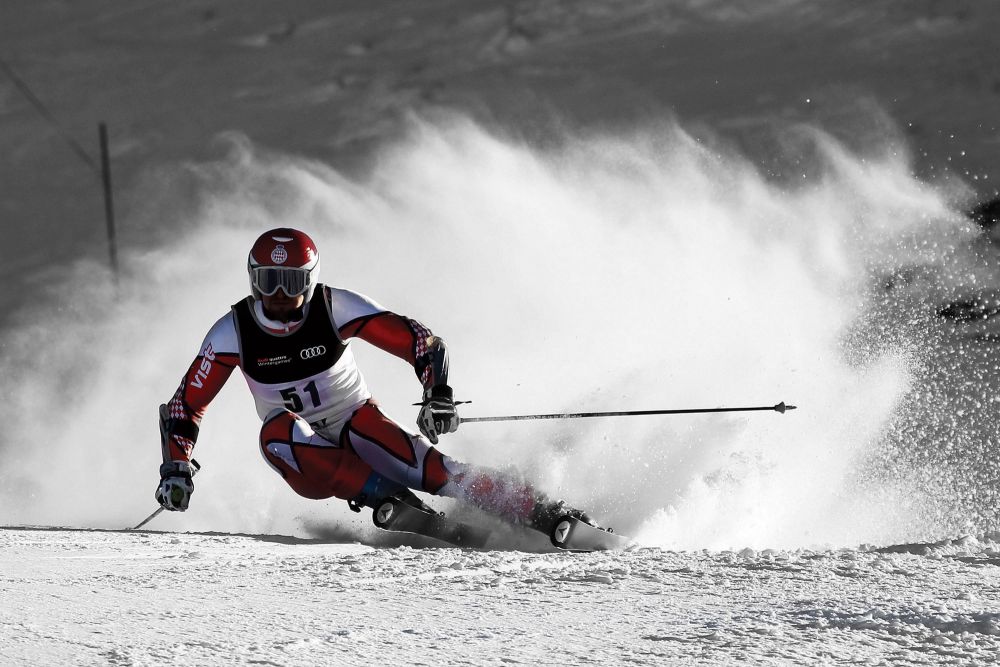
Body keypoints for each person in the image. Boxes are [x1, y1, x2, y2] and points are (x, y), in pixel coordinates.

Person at [155, 227, 591, 540]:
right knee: (276, 431)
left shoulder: (333, 307)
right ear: (254, 280)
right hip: (302, 458)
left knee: (442, 471)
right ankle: (392, 500)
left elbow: (420, 341)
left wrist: (437, 394)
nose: (281, 295)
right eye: (270, 281)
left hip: (356, 423)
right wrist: (177, 467)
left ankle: (548, 513)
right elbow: (184, 407)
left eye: (292, 282)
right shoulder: (232, 332)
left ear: (311, 279)